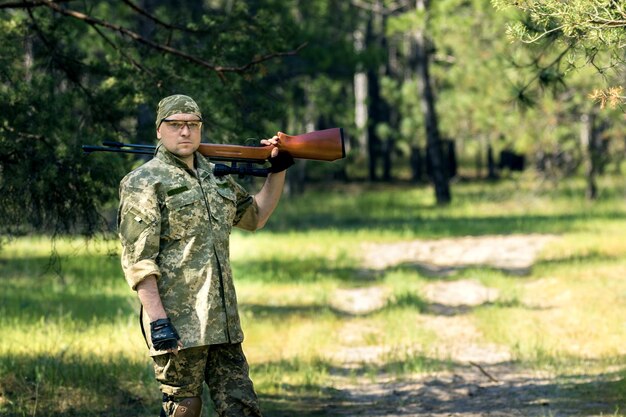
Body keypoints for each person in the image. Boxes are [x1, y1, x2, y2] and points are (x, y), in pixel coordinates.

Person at [117, 94, 293, 417]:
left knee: (242, 407)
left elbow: (256, 216)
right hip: (178, 325)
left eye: (192, 124)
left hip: (223, 324)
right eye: (175, 124)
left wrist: (277, 170)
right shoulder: (144, 183)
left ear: (200, 129)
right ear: (159, 129)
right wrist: (158, 321)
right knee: (183, 407)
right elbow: (138, 261)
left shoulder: (214, 177)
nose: (184, 131)